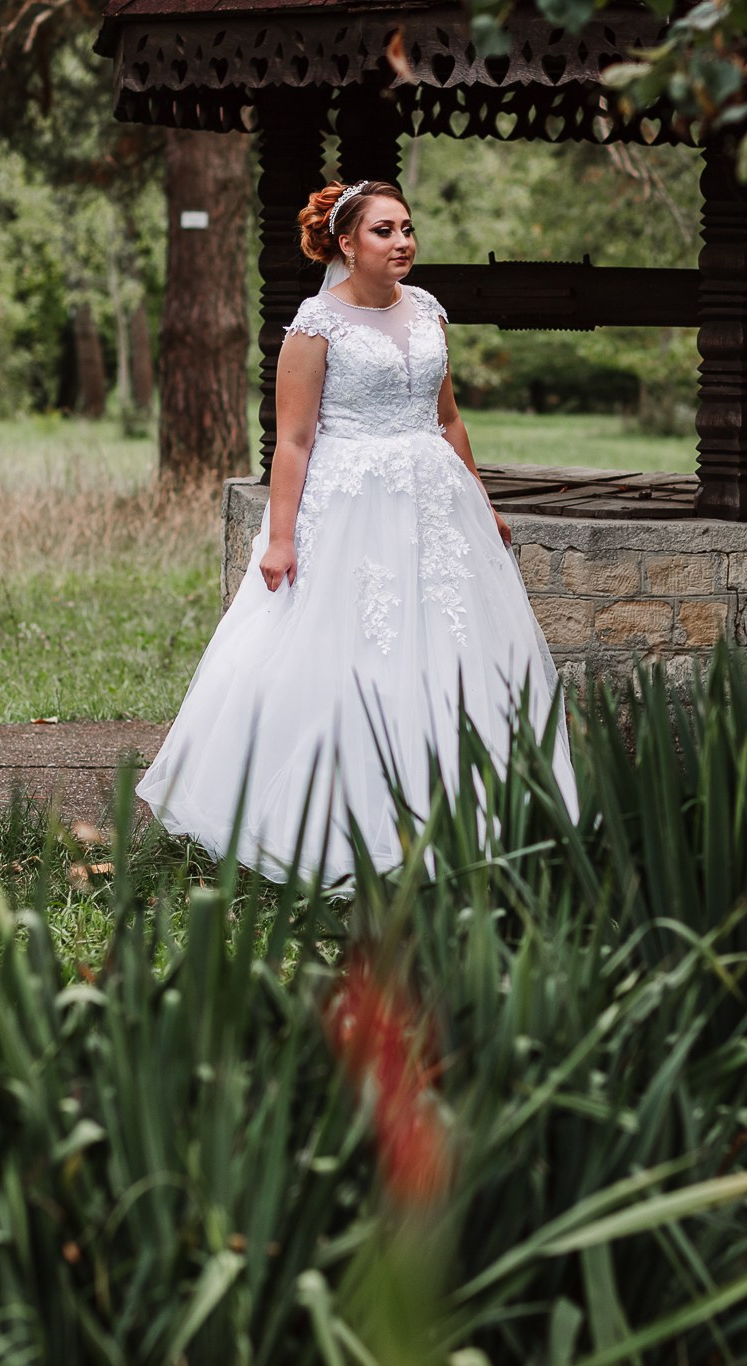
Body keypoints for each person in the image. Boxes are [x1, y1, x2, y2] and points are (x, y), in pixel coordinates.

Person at [136, 178, 578, 884]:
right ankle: (328, 824)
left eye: (406, 228)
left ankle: (465, 815)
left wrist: (478, 496)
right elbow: (295, 442)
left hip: (435, 502)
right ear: (346, 243)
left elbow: (450, 417)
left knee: (450, 646)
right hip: (351, 506)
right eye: (384, 231)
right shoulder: (316, 327)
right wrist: (280, 538)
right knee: (351, 650)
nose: (402, 241)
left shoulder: (428, 311)